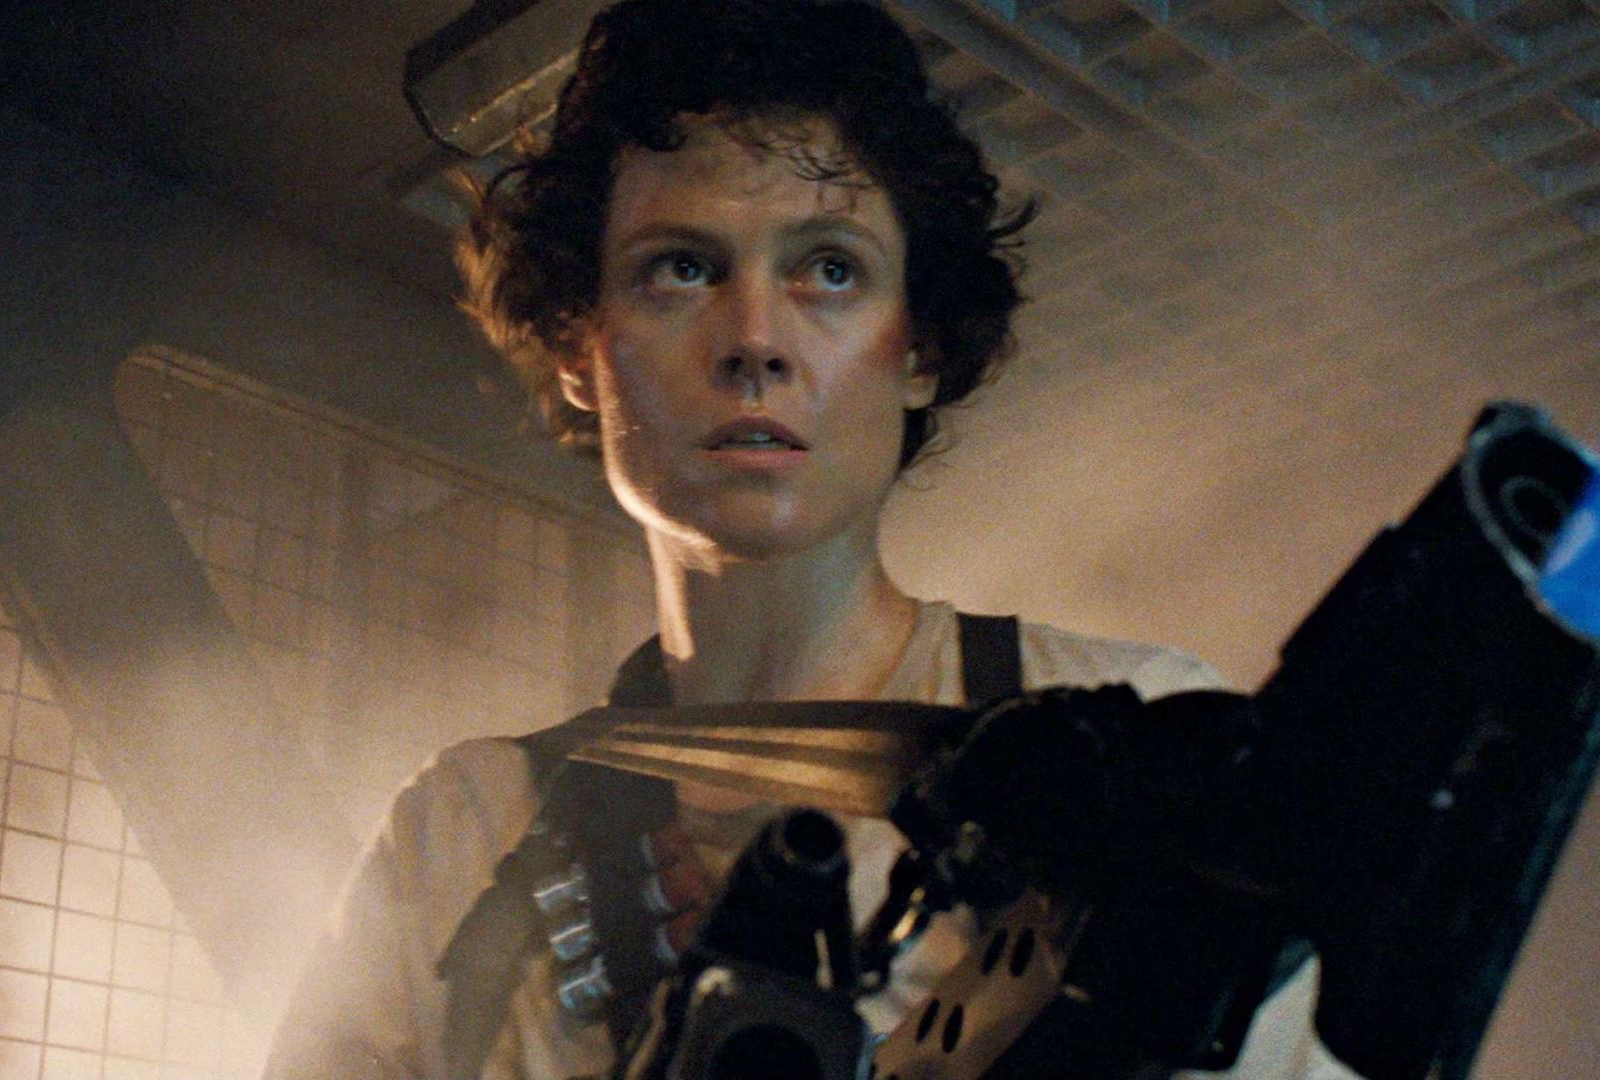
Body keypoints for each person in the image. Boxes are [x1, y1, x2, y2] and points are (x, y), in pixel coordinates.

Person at [264, 2, 1358, 1077]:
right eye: (680, 268)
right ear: (578, 347)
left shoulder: (1135, 748)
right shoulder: (461, 833)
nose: (754, 340)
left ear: (920, 348)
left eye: (830, 269)